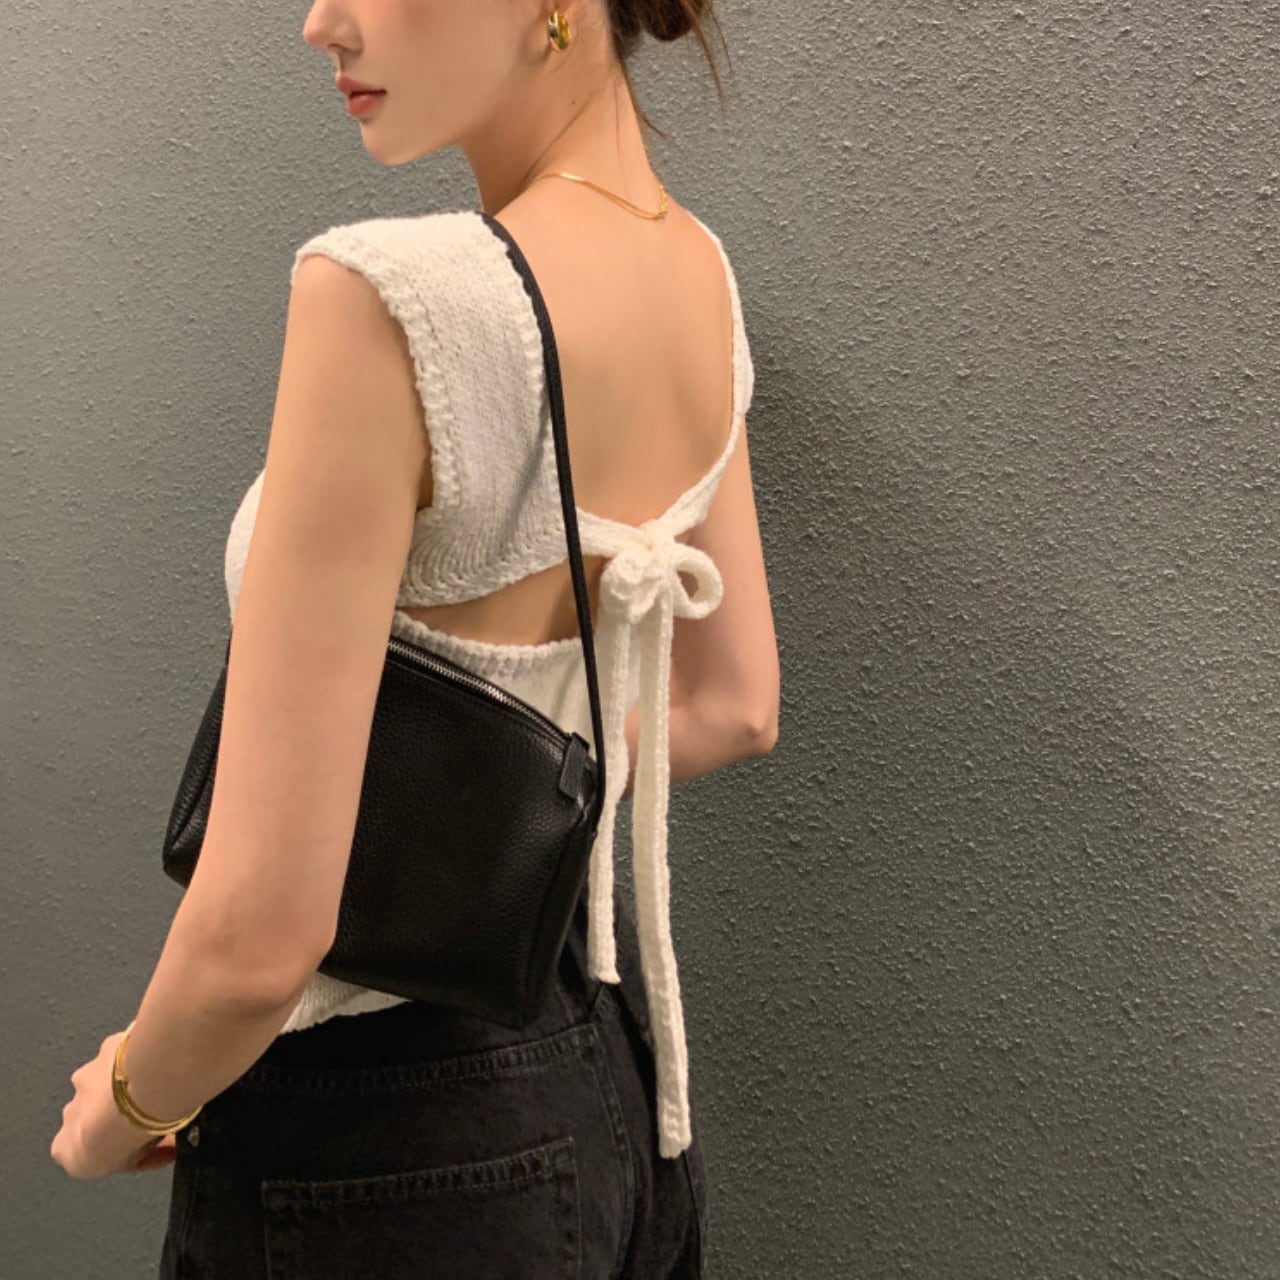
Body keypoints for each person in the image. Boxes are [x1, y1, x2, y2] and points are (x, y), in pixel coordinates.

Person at [50, 1, 779, 1274]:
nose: (320, 25)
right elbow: (732, 703)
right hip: (608, 1096)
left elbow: (258, 940)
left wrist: (125, 1102)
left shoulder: (389, 293)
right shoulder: (694, 272)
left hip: (378, 1146)